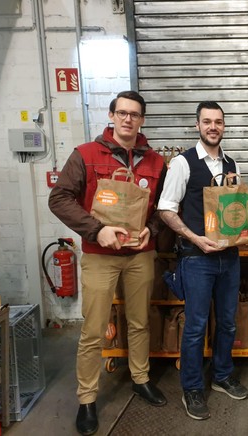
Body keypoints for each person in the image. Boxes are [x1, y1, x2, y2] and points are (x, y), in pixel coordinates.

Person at [48, 90, 168, 436]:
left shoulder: (156, 162)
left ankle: (140, 379)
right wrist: (96, 230)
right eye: (123, 113)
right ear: (112, 116)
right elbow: (59, 198)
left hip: (139, 255)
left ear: (142, 120)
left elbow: (162, 208)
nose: (128, 119)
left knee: (139, 321)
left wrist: (152, 229)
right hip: (101, 257)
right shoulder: (85, 155)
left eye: (135, 114)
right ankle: (87, 399)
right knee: (94, 329)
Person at [158, 101, 248, 421]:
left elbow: (235, 208)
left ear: (224, 126)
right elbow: (166, 210)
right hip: (196, 259)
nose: (213, 126)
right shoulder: (183, 163)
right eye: (207, 121)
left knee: (227, 322)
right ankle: (193, 387)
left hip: (230, 258)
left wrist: (242, 232)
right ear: (197, 125)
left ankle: (222, 376)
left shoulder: (231, 163)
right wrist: (194, 238)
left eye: (219, 122)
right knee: (196, 327)